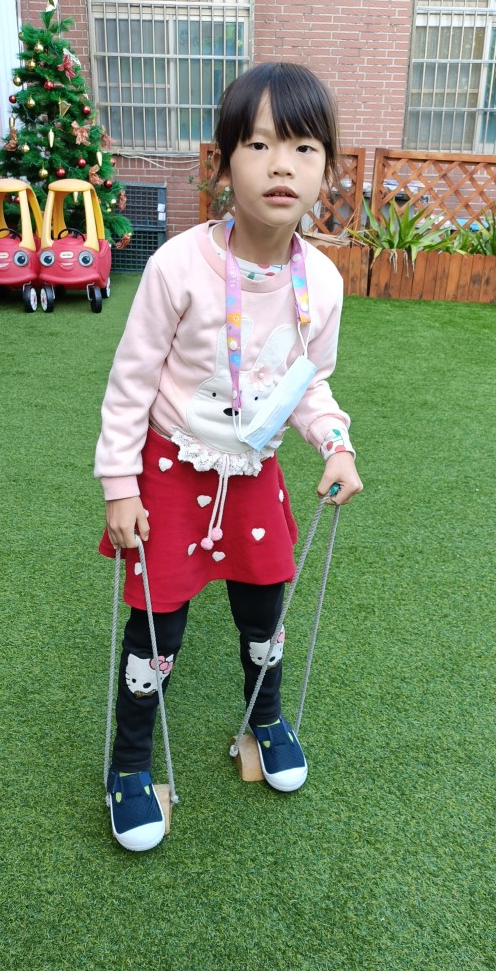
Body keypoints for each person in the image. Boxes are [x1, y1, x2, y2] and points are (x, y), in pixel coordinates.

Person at [95, 62, 363, 852]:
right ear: (221, 164)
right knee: (157, 628)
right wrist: (119, 484)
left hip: (253, 477)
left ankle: (265, 718)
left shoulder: (322, 282)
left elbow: (310, 384)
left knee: (264, 612)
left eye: (304, 148)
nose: (282, 165)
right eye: (259, 144)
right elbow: (130, 382)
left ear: (327, 170)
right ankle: (129, 762)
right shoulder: (178, 266)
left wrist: (336, 444)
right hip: (169, 473)